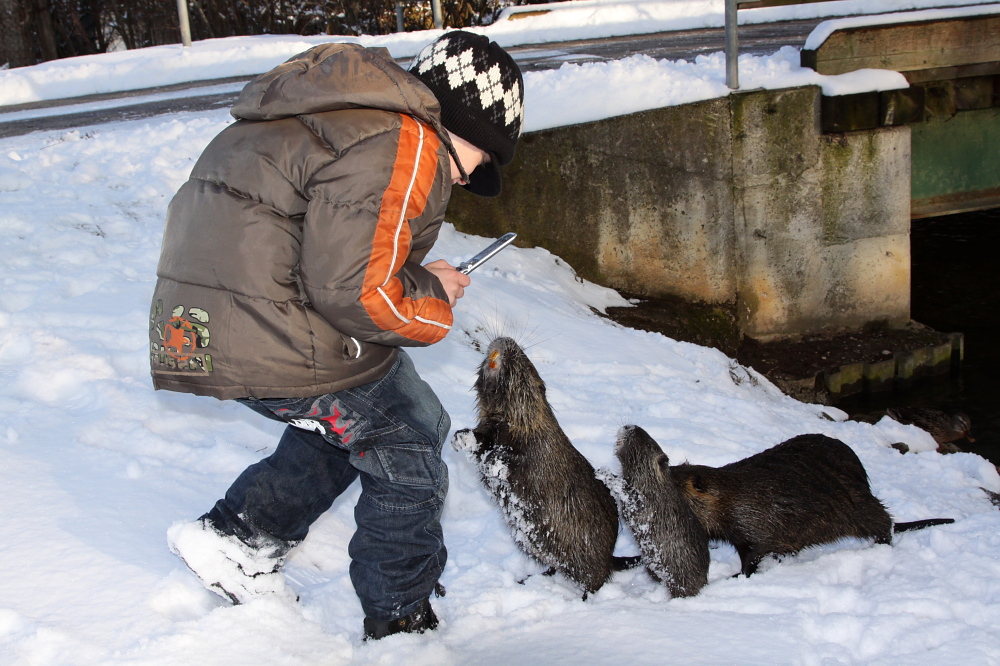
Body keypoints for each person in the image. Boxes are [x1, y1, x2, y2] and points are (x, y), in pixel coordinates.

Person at [149, 30, 524, 640]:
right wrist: (432, 297)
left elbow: (321, 250)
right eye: (482, 162)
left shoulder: (343, 115)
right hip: (267, 325)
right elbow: (355, 291)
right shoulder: (407, 140)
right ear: (468, 129)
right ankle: (400, 624)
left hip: (206, 322)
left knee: (364, 414)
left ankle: (239, 538)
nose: (467, 180)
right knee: (407, 436)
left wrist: (419, 274)